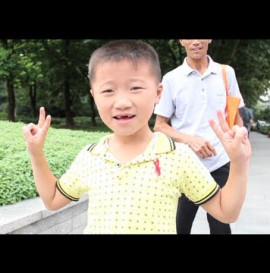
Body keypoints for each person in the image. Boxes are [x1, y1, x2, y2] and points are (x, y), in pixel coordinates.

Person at [22, 40, 251, 234]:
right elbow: (52, 199)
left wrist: (239, 162)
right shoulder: (91, 156)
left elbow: (226, 212)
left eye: (135, 88)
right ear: (94, 95)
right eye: (108, 90)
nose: (122, 102)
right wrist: (35, 152)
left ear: (158, 93)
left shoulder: (177, 156)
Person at [154, 39, 246, 234]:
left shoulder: (226, 73)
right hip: (185, 165)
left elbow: (237, 117)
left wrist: (239, 139)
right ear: (181, 41)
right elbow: (160, 126)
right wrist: (190, 140)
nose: (195, 41)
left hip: (221, 161)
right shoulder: (171, 79)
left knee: (221, 227)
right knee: (179, 226)